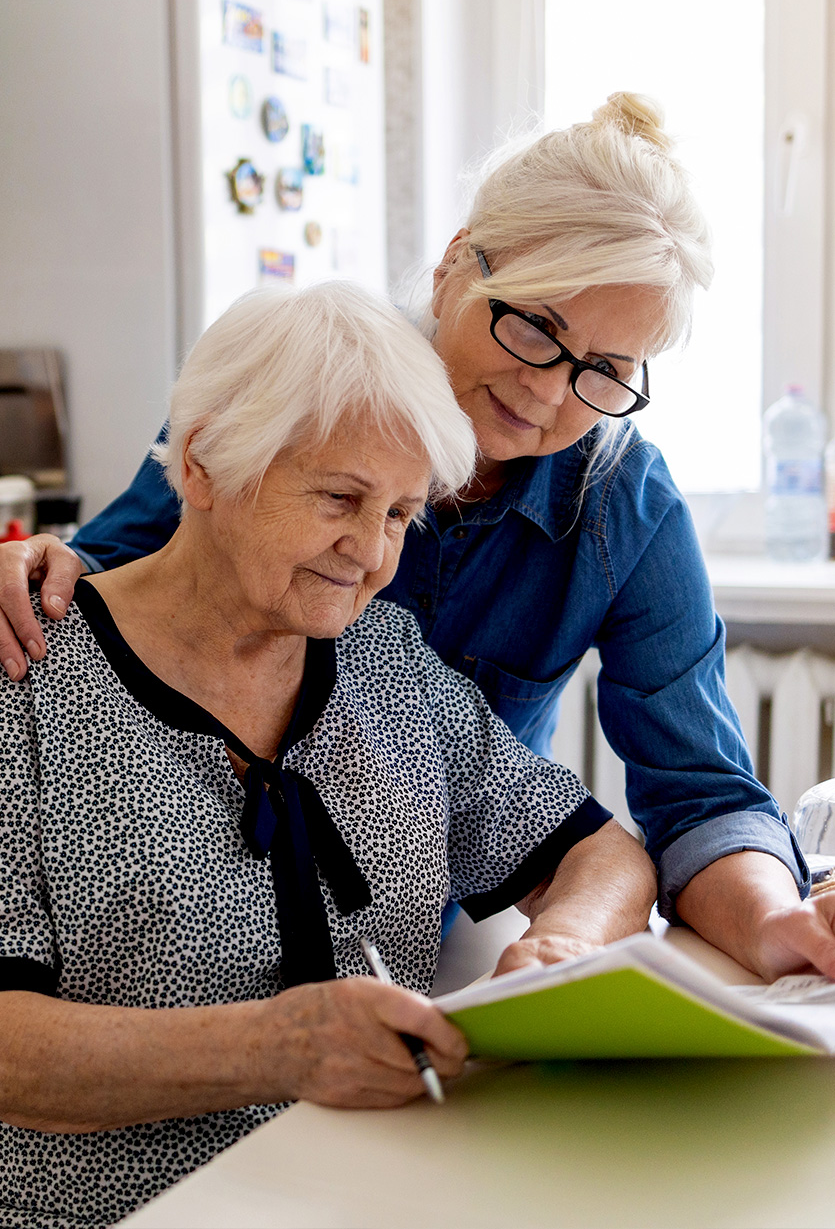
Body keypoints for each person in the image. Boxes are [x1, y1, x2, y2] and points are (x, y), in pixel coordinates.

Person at [3, 92, 835, 981]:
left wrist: (775, 921)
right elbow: (101, 575)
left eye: (603, 371)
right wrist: (26, 566)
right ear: (453, 269)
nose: (550, 395)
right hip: (199, 927)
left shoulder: (621, 506)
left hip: (426, 914)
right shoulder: (309, 387)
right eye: (535, 327)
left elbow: (696, 791)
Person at [0, 281, 655, 1229]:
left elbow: (601, 851)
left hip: (386, 1197)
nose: (370, 553)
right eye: (340, 497)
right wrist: (275, 1047)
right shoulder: (28, 672)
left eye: (398, 513)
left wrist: (564, 944)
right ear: (205, 464)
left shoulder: (385, 662)